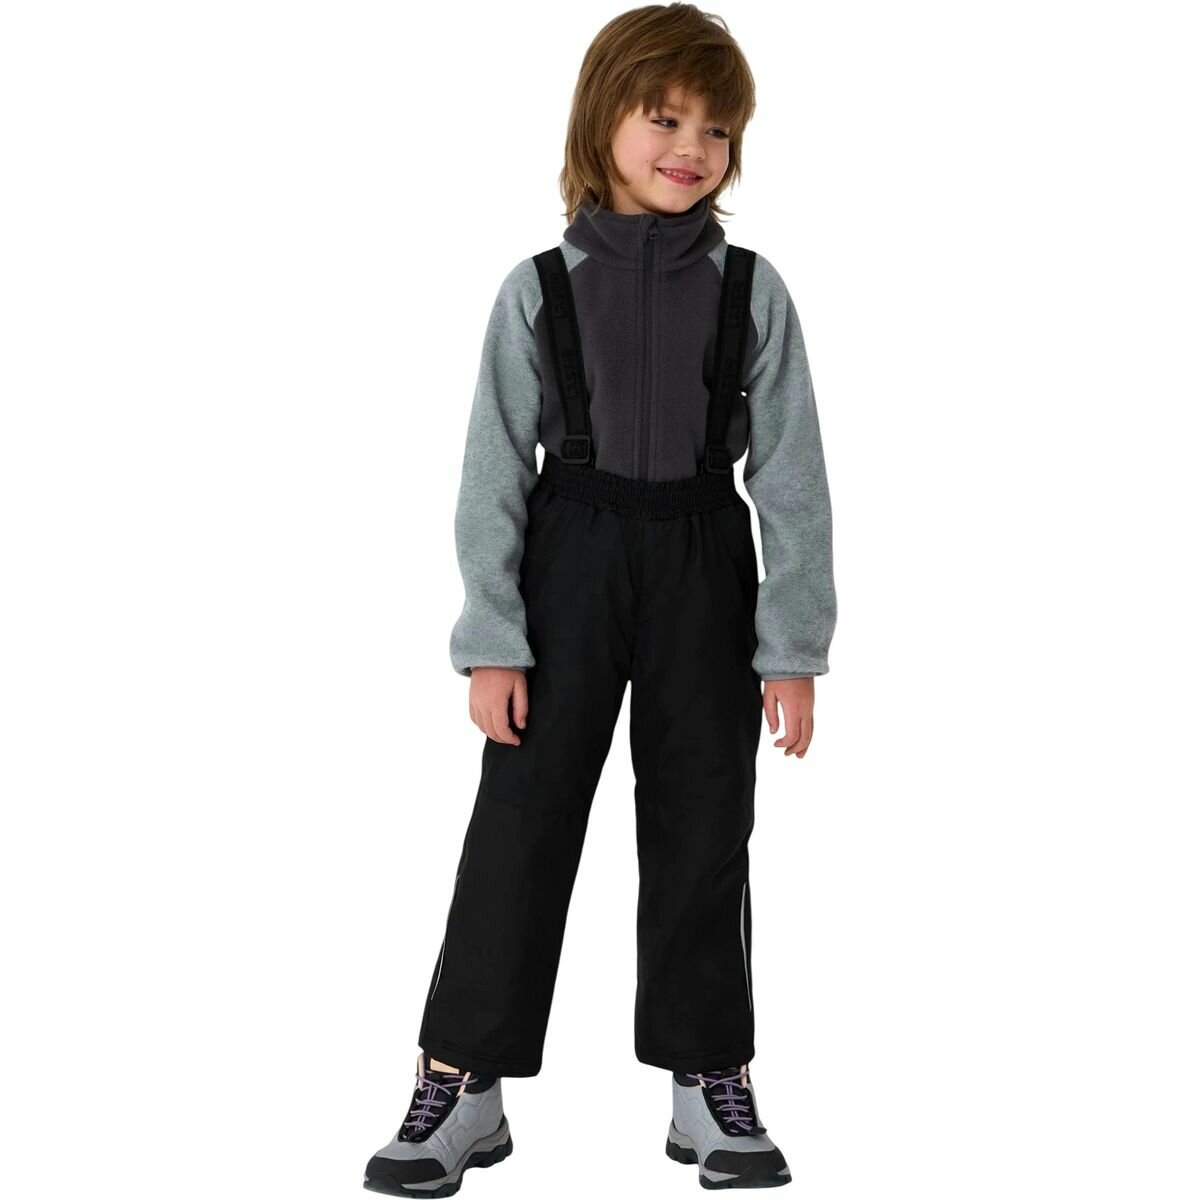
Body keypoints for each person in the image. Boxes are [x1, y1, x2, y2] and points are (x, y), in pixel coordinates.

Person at [363, 4, 836, 1194]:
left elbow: (790, 475)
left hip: (703, 559)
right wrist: (492, 637)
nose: (692, 147)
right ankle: (462, 1078)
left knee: (704, 823)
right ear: (602, 122)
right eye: (665, 118)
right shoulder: (537, 290)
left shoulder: (752, 290)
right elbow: (491, 472)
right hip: (568, 557)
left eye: (716, 129)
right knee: (520, 824)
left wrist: (791, 645)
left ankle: (709, 1075)